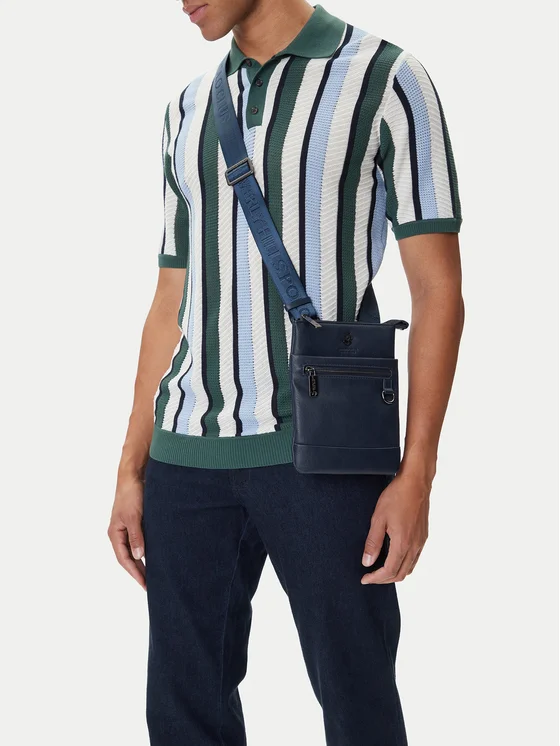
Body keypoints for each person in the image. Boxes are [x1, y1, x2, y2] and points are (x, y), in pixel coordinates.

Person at [108, 1, 465, 743]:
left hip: (326, 453)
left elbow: (437, 290)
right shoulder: (187, 108)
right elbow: (171, 296)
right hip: (185, 456)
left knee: (360, 707)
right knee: (182, 717)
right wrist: (131, 467)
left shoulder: (386, 78)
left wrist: (417, 475)